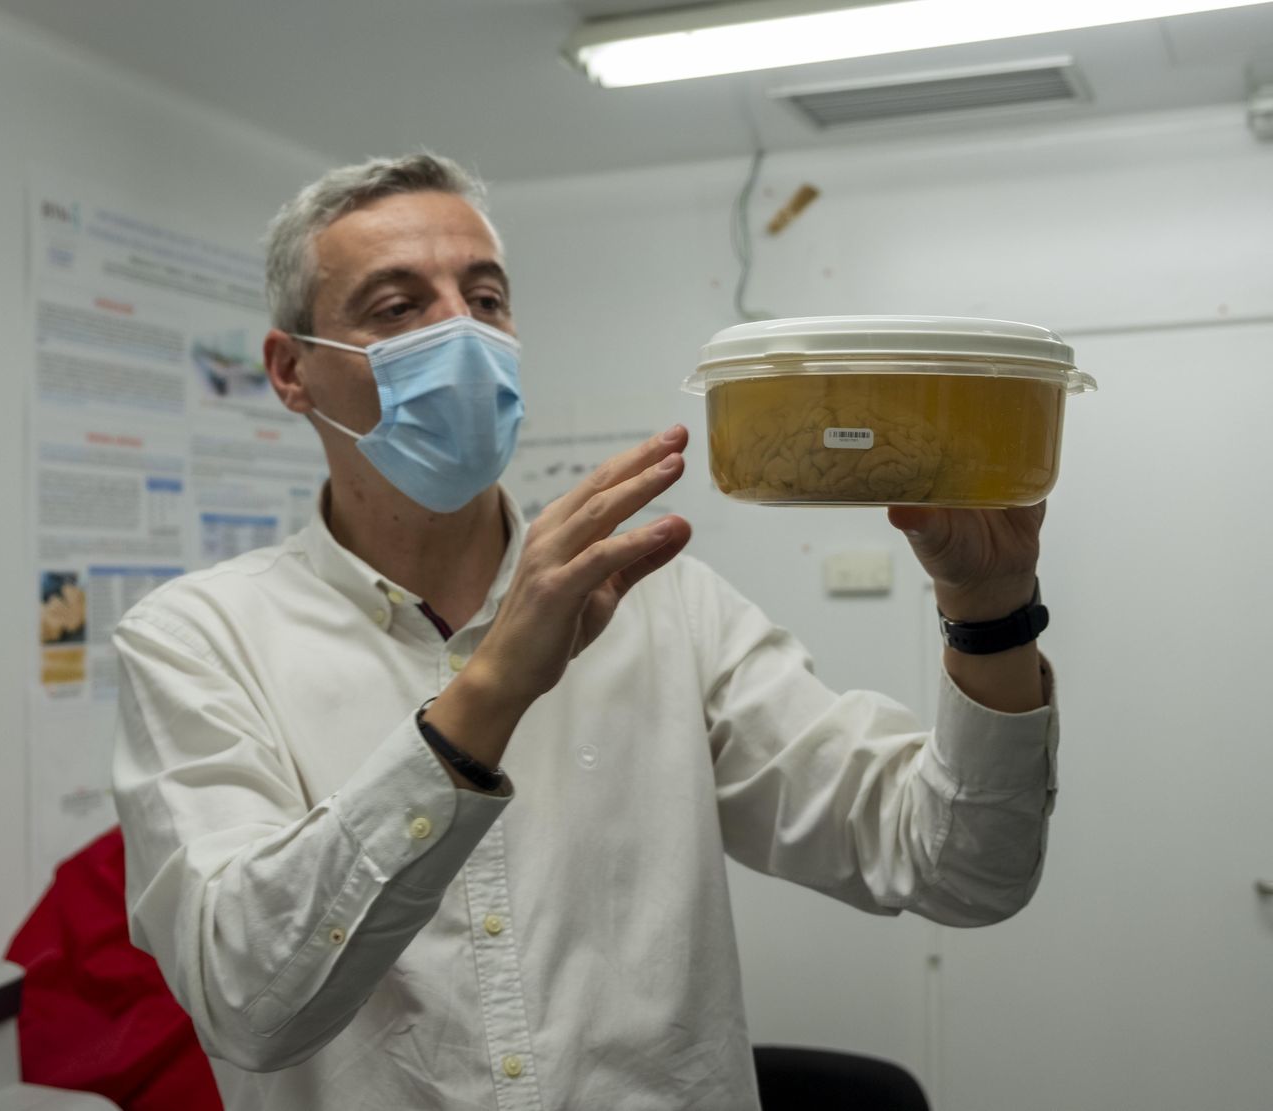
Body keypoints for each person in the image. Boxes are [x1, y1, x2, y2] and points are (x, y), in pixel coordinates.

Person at [112, 153, 1057, 1110]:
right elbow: (248, 1002)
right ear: (291, 371)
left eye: (486, 298)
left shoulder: (666, 608)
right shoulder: (196, 640)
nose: (462, 334)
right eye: (397, 308)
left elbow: (961, 867)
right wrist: (490, 691)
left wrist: (991, 617)